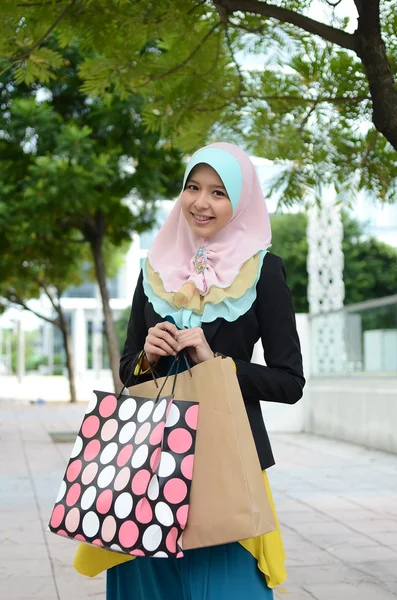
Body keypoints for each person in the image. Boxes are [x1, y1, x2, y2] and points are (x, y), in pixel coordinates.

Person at [74, 141, 305, 599]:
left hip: (226, 461)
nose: (202, 202)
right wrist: (148, 355)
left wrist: (216, 366)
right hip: (147, 463)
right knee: (147, 586)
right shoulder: (153, 271)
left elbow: (290, 382)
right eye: (193, 188)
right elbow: (129, 371)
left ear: (240, 202)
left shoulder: (264, 272)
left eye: (219, 193)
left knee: (227, 585)